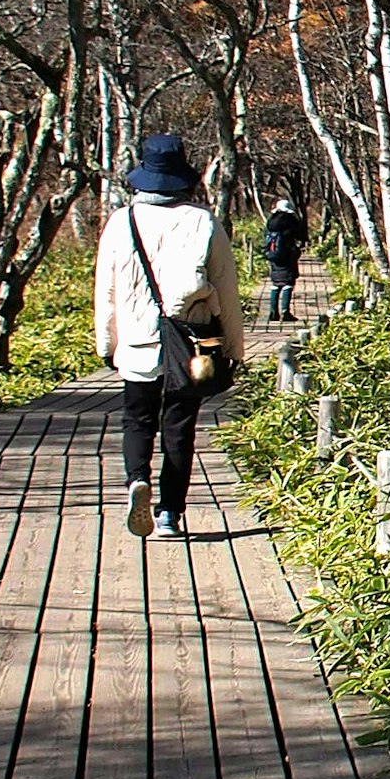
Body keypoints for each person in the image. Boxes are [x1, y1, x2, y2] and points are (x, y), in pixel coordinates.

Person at [93, 132, 241, 541]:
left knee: (137, 420)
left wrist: (108, 344)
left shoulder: (119, 222)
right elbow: (227, 293)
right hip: (192, 346)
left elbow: (106, 292)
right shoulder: (203, 222)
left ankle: (136, 479)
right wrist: (232, 349)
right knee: (180, 427)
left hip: (138, 344)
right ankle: (168, 515)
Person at [260, 193, 307, 322]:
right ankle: (285, 312)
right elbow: (300, 235)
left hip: (273, 255)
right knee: (288, 283)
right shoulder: (291, 220)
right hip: (288, 255)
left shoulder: (272, 220)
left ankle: (273, 312)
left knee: (276, 283)